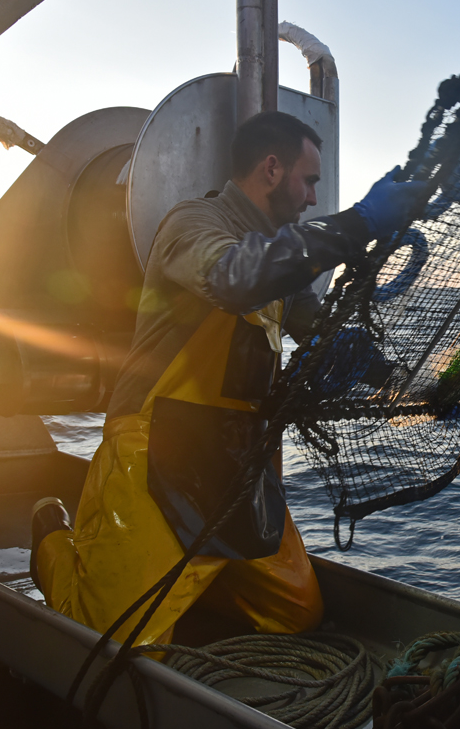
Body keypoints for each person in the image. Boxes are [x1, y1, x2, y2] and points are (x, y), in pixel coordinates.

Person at [31, 110, 424, 646]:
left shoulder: (282, 257)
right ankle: (49, 537)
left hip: (238, 460)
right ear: (270, 169)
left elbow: (321, 334)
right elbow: (235, 278)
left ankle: (186, 578)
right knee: (112, 637)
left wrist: (408, 383)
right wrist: (358, 223)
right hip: (157, 448)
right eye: (308, 181)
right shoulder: (193, 225)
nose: (312, 197)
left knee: (296, 615)